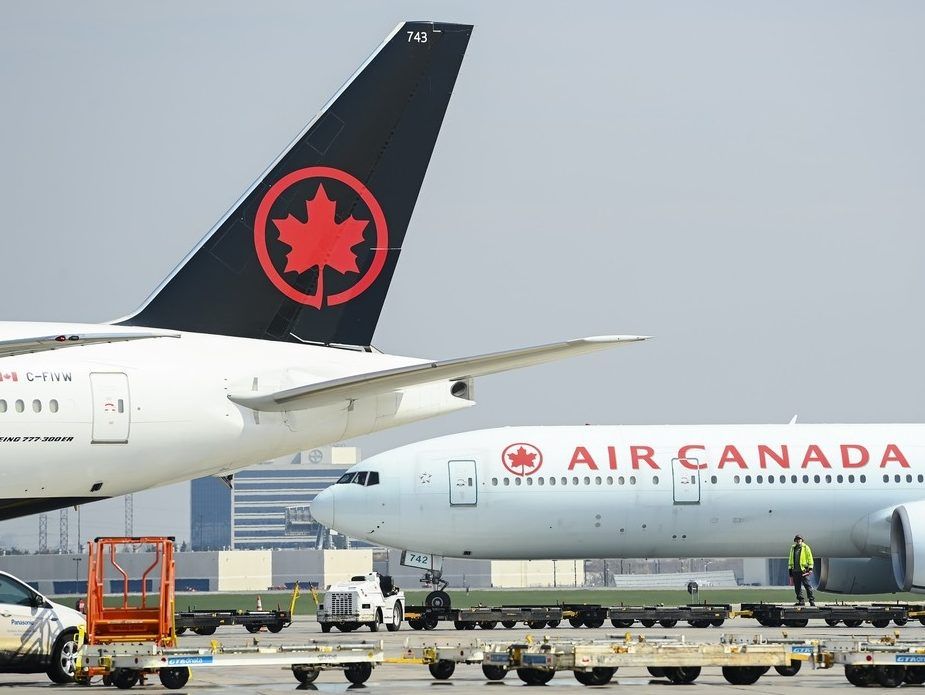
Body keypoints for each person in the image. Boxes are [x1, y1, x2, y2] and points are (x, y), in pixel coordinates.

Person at [788, 534, 815, 606]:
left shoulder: (806, 548)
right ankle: (801, 601)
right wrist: (790, 573)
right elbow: (790, 560)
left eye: (799, 539)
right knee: (797, 587)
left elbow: (810, 559)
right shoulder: (793, 548)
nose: (798, 540)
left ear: (802, 540)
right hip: (795, 571)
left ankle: (811, 600)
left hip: (803, 571)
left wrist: (810, 569)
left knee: (807, 586)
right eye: (797, 539)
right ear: (795, 541)